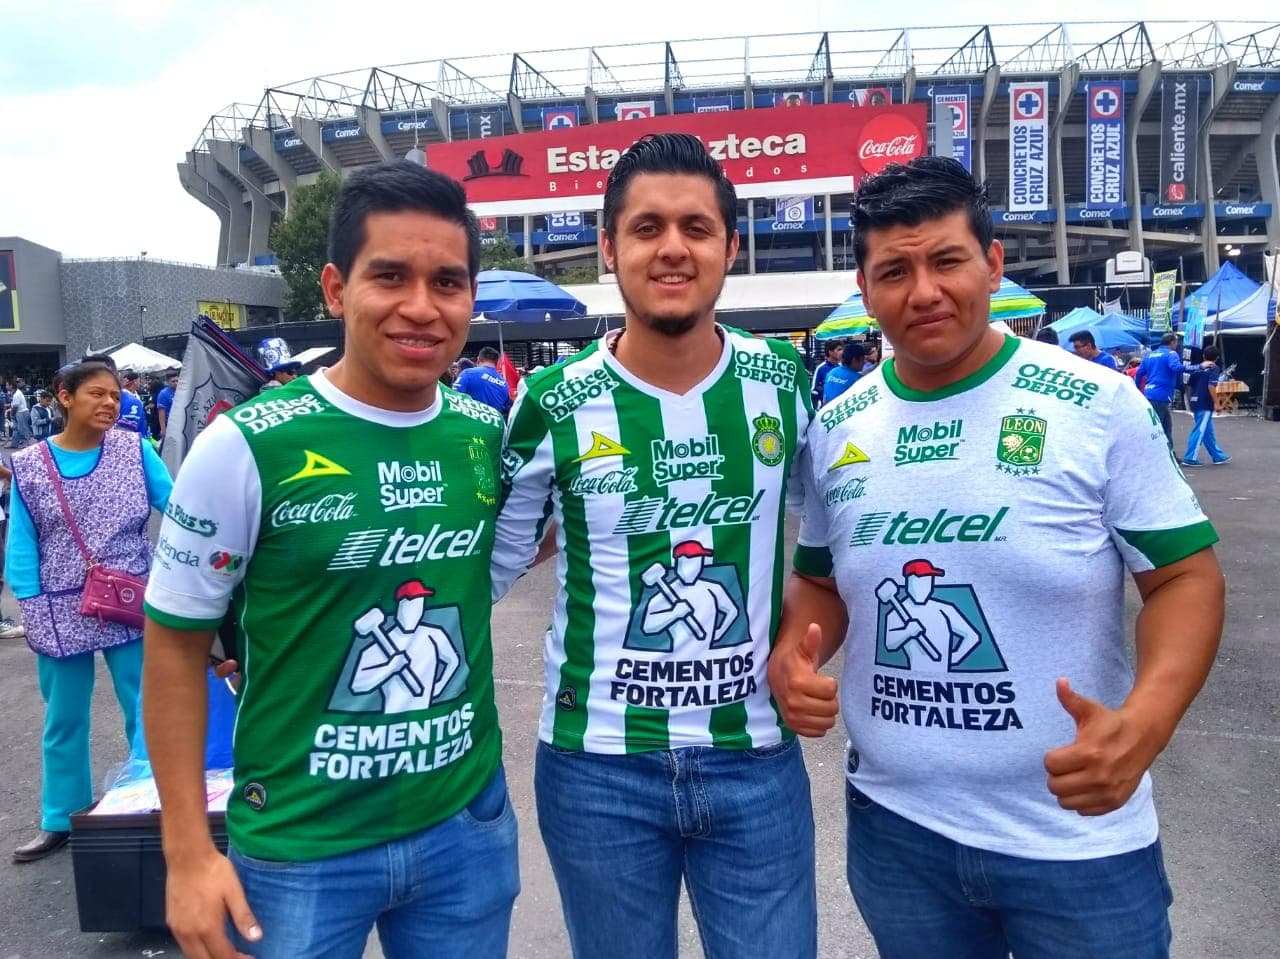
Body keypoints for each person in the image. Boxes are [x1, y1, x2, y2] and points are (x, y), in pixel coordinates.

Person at [769, 155, 1225, 959]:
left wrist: (1145, 722)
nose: (924, 292)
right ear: (865, 289)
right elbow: (819, 579)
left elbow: (1185, 577)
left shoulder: (1094, 403)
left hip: (1078, 841)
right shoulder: (839, 427)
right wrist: (792, 657)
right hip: (898, 835)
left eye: (946, 260)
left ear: (993, 263)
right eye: (894, 271)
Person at [142, 161, 517, 959]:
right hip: (299, 844)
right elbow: (173, 646)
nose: (422, 306)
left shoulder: (484, 436)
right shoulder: (243, 444)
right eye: (391, 276)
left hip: (465, 829)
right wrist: (186, 853)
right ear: (336, 288)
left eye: (448, 281)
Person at [494, 132, 817, 959]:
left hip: (754, 757)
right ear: (608, 247)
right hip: (596, 768)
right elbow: (481, 563)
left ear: (729, 247)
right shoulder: (550, 400)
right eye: (646, 228)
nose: (672, 247)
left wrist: (809, 648)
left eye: (696, 228)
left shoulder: (782, 380)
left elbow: (839, 539)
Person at [6, 360, 173, 862]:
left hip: (129, 597)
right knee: (64, 717)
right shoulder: (31, 464)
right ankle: (61, 816)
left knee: (146, 708)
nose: (110, 403)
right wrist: (31, 607)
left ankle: (151, 804)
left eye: (115, 396)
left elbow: (181, 510)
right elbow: (22, 542)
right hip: (57, 606)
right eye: (96, 394)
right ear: (64, 397)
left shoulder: (135, 450)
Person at [1181, 345, 1230, 467]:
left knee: (1207, 430)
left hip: (1195, 400)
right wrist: (1217, 402)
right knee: (1200, 429)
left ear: (1203, 356)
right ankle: (1190, 457)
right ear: (1217, 358)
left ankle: (1217, 455)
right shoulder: (1214, 368)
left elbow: (1190, 383)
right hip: (1205, 402)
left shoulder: (1198, 368)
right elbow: (1211, 386)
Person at [1136, 332, 1188, 446]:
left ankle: (1170, 456)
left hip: (1149, 394)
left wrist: (1138, 391)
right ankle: (1159, 457)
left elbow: (1139, 374)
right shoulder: (1171, 353)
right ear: (1172, 343)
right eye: (1176, 342)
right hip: (1162, 396)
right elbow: (1176, 367)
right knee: (1160, 429)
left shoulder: (1149, 355)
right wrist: (1196, 367)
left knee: (1162, 426)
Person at [453, 346, 510, 415]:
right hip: (493, 424)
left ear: (478, 359)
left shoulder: (468, 373)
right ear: (497, 362)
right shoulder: (505, 383)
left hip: (470, 422)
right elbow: (506, 409)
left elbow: (454, 398)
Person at [811, 340, 842, 407]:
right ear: (830, 352)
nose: (842, 352)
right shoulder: (821, 368)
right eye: (839, 350)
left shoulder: (841, 367)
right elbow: (814, 389)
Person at [7, 378, 31, 448]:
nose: (6, 386)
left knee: (22, 429)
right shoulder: (14, 393)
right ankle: (14, 444)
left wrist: (12, 414)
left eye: (7, 385)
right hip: (19, 412)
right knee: (16, 429)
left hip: (21, 412)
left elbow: (15, 407)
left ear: (11, 386)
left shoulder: (17, 394)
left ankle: (26, 443)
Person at [155, 370, 178, 437]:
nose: (176, 383)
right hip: (170, 425)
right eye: (173, 381)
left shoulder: (181, 391)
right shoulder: (163, 394)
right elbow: (161, 413)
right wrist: (163, 429)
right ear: (168, 382)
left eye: (177, 381)